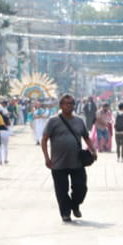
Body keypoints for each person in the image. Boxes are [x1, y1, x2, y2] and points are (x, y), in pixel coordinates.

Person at [42, 94, 95, 223]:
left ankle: (75, 204)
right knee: (61, 190)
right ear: (61, 105)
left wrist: (93, 150)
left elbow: (86, 137)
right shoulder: (53, 121)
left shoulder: (79, 121)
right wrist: (47, 158)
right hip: (58, 162)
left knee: (81, 188)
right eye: (66, 103)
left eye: (71, 103)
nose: (69, 106)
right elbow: (44, 140)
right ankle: (65, 213)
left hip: (77, 161)